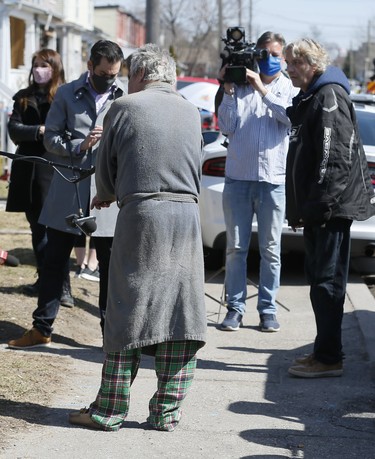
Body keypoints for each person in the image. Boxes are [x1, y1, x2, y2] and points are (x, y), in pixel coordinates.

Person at [68, 44, 207, 432]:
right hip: (186, 218)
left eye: (130, 76)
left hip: (142, 217)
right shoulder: (192, 111)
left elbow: (106, 166)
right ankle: (166, 412)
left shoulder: (125, 108)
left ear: (141, 75)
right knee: (180, 312)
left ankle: (109, 411)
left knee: (127, 308)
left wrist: (107, 192)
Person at [7, 40, 126, 349]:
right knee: (54, 261)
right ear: (90, 66)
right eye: (103, 73)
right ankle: (41, 328)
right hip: (68, 186)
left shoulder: (125, 97)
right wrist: (80, 145)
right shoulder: (66, 94)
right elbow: (51, 140)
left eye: (114, 74)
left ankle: (109, 336)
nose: (109, 79)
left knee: (109, 266)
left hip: (107, 192)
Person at [284, 39, 375, 378]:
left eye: (294, 63)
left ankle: (329, 359)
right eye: (287, 62)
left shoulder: (328, 96)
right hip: (320, 208)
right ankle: (324, 351)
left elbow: (332, 159)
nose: (288, 69)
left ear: (311, 63)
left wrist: (319, 207)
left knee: (327, 283)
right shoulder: (315, 95)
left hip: (329, 210)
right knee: (321, 281)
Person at [217, 31, 297, 332]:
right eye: (264, 53)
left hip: (272, 182)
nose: (270, 59)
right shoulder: (239, 87)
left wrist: (262, 88)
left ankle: (267, 310)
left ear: (284, 58)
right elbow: (226, 126)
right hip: (238, 178)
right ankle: (235, 309)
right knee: (235, 248)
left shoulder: (289, 89)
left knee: (271, 250)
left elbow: (288, 119)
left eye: (276, 55)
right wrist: (227, 89)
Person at [6, 49, 72, 305]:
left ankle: (62, 287)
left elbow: (67, 132)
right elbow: (14, 129)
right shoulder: (23, 98)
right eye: (35, 65)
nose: (38, 69)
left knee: (55, 231)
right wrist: (40, 130)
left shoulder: (64, 97)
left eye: (44, 65)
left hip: (53, 169)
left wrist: (45, 134)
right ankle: (44, 278)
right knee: (36, 228)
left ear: (55, 68)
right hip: (27, 169)